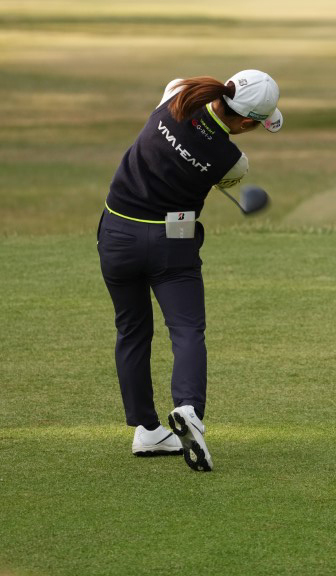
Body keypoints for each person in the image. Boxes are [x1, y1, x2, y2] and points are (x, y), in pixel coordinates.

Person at [97, 70, 283, 472]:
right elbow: (225, 175)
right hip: (172, 242)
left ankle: (147, 430)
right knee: (186, 330)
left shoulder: (178, 94)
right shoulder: (234, 162)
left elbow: (184, 106)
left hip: (117, 234)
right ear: (246, 123)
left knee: (131, 330)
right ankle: (189, 410)